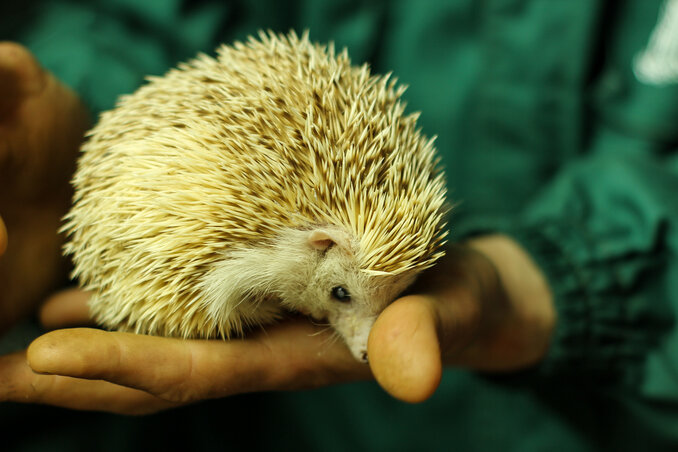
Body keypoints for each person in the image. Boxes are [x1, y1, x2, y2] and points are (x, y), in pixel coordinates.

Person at [1, 0, 677, 450]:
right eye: (345, 298)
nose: (362, 341)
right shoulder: (267, 244)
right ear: (317, 244)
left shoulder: (365, 234)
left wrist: (558, 284)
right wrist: (86, 98)